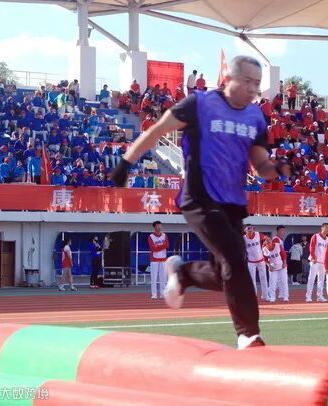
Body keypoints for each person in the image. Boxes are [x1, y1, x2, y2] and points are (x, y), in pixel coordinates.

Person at [110, 55, 290, 350]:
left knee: (225, 273)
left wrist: (278, 168)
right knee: (236, 262)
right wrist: (126, 163)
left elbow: (260, 166)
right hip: (200, 197)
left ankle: (184, 273)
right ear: (227, 78)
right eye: (246, 81)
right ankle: (248, 334)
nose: (252, 89)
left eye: (257, 83)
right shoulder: (200, 103)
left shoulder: (256, 117)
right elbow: (157, 130)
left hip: (233, 202)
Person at [306, 223, 328, 303]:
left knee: (321, 279)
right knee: (311, 278)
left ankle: (320, 296)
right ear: (322, 228)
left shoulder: (327, 239)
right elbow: (311, 247)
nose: (327, 229)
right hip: (315, 261)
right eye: (326, 228)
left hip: (323, 262)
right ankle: (308, 296)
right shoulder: (316, 236)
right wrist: (313, 257)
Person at [244, 225, 269, 300]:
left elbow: (267, 238)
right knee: (252, 279)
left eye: (251, 230)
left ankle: (265, 295)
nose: (250, 232)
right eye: (248, 230)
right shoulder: (244, 239)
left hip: (261, 260)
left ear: (253, 230)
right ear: (245, 231)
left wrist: (265, 243)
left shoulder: (258, 234)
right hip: (251, 262)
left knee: (263, 278)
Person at [262, 236, 288, 303]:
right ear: (265, 243)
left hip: (281, 266)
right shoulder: (264, 249)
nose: (269, 242)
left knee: (284, 282)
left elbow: (284, 255)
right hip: (273, 268)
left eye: (269, 240)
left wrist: (284, 263)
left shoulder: (277, 246)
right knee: (272, 283)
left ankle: (285, 297)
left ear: (271, 241)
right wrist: (269, 266)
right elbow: (265, 259)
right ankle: (272, 298)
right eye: (267, 241)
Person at [148, 221, 169, 299]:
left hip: (163, 258)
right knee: (154, 277)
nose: (159, 227)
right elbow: (153, 248)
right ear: (154, 227)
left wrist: (158, 247)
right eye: (158, 226)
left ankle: (163, 293)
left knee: (163, 277)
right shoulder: (151, 237)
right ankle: (154, 294)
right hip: (154, 259)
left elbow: (167, 245)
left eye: (160, 225)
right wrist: (162, 246)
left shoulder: (164, 235)